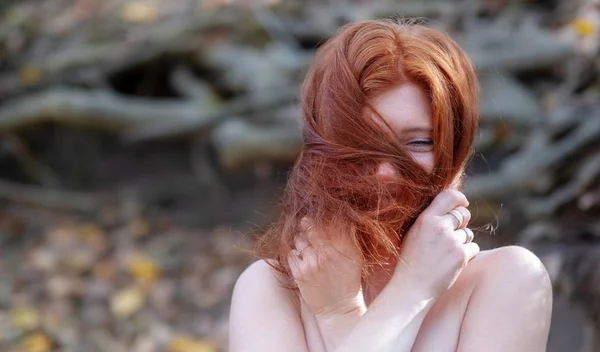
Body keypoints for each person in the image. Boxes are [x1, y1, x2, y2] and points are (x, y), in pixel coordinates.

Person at [229, 18, 553, 352]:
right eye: (363, 142)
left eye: (418, 142)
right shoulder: (270, 290)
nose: (385, 171)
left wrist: (351, 312)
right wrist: (371, 302)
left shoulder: (508, 281)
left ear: (454, 148)